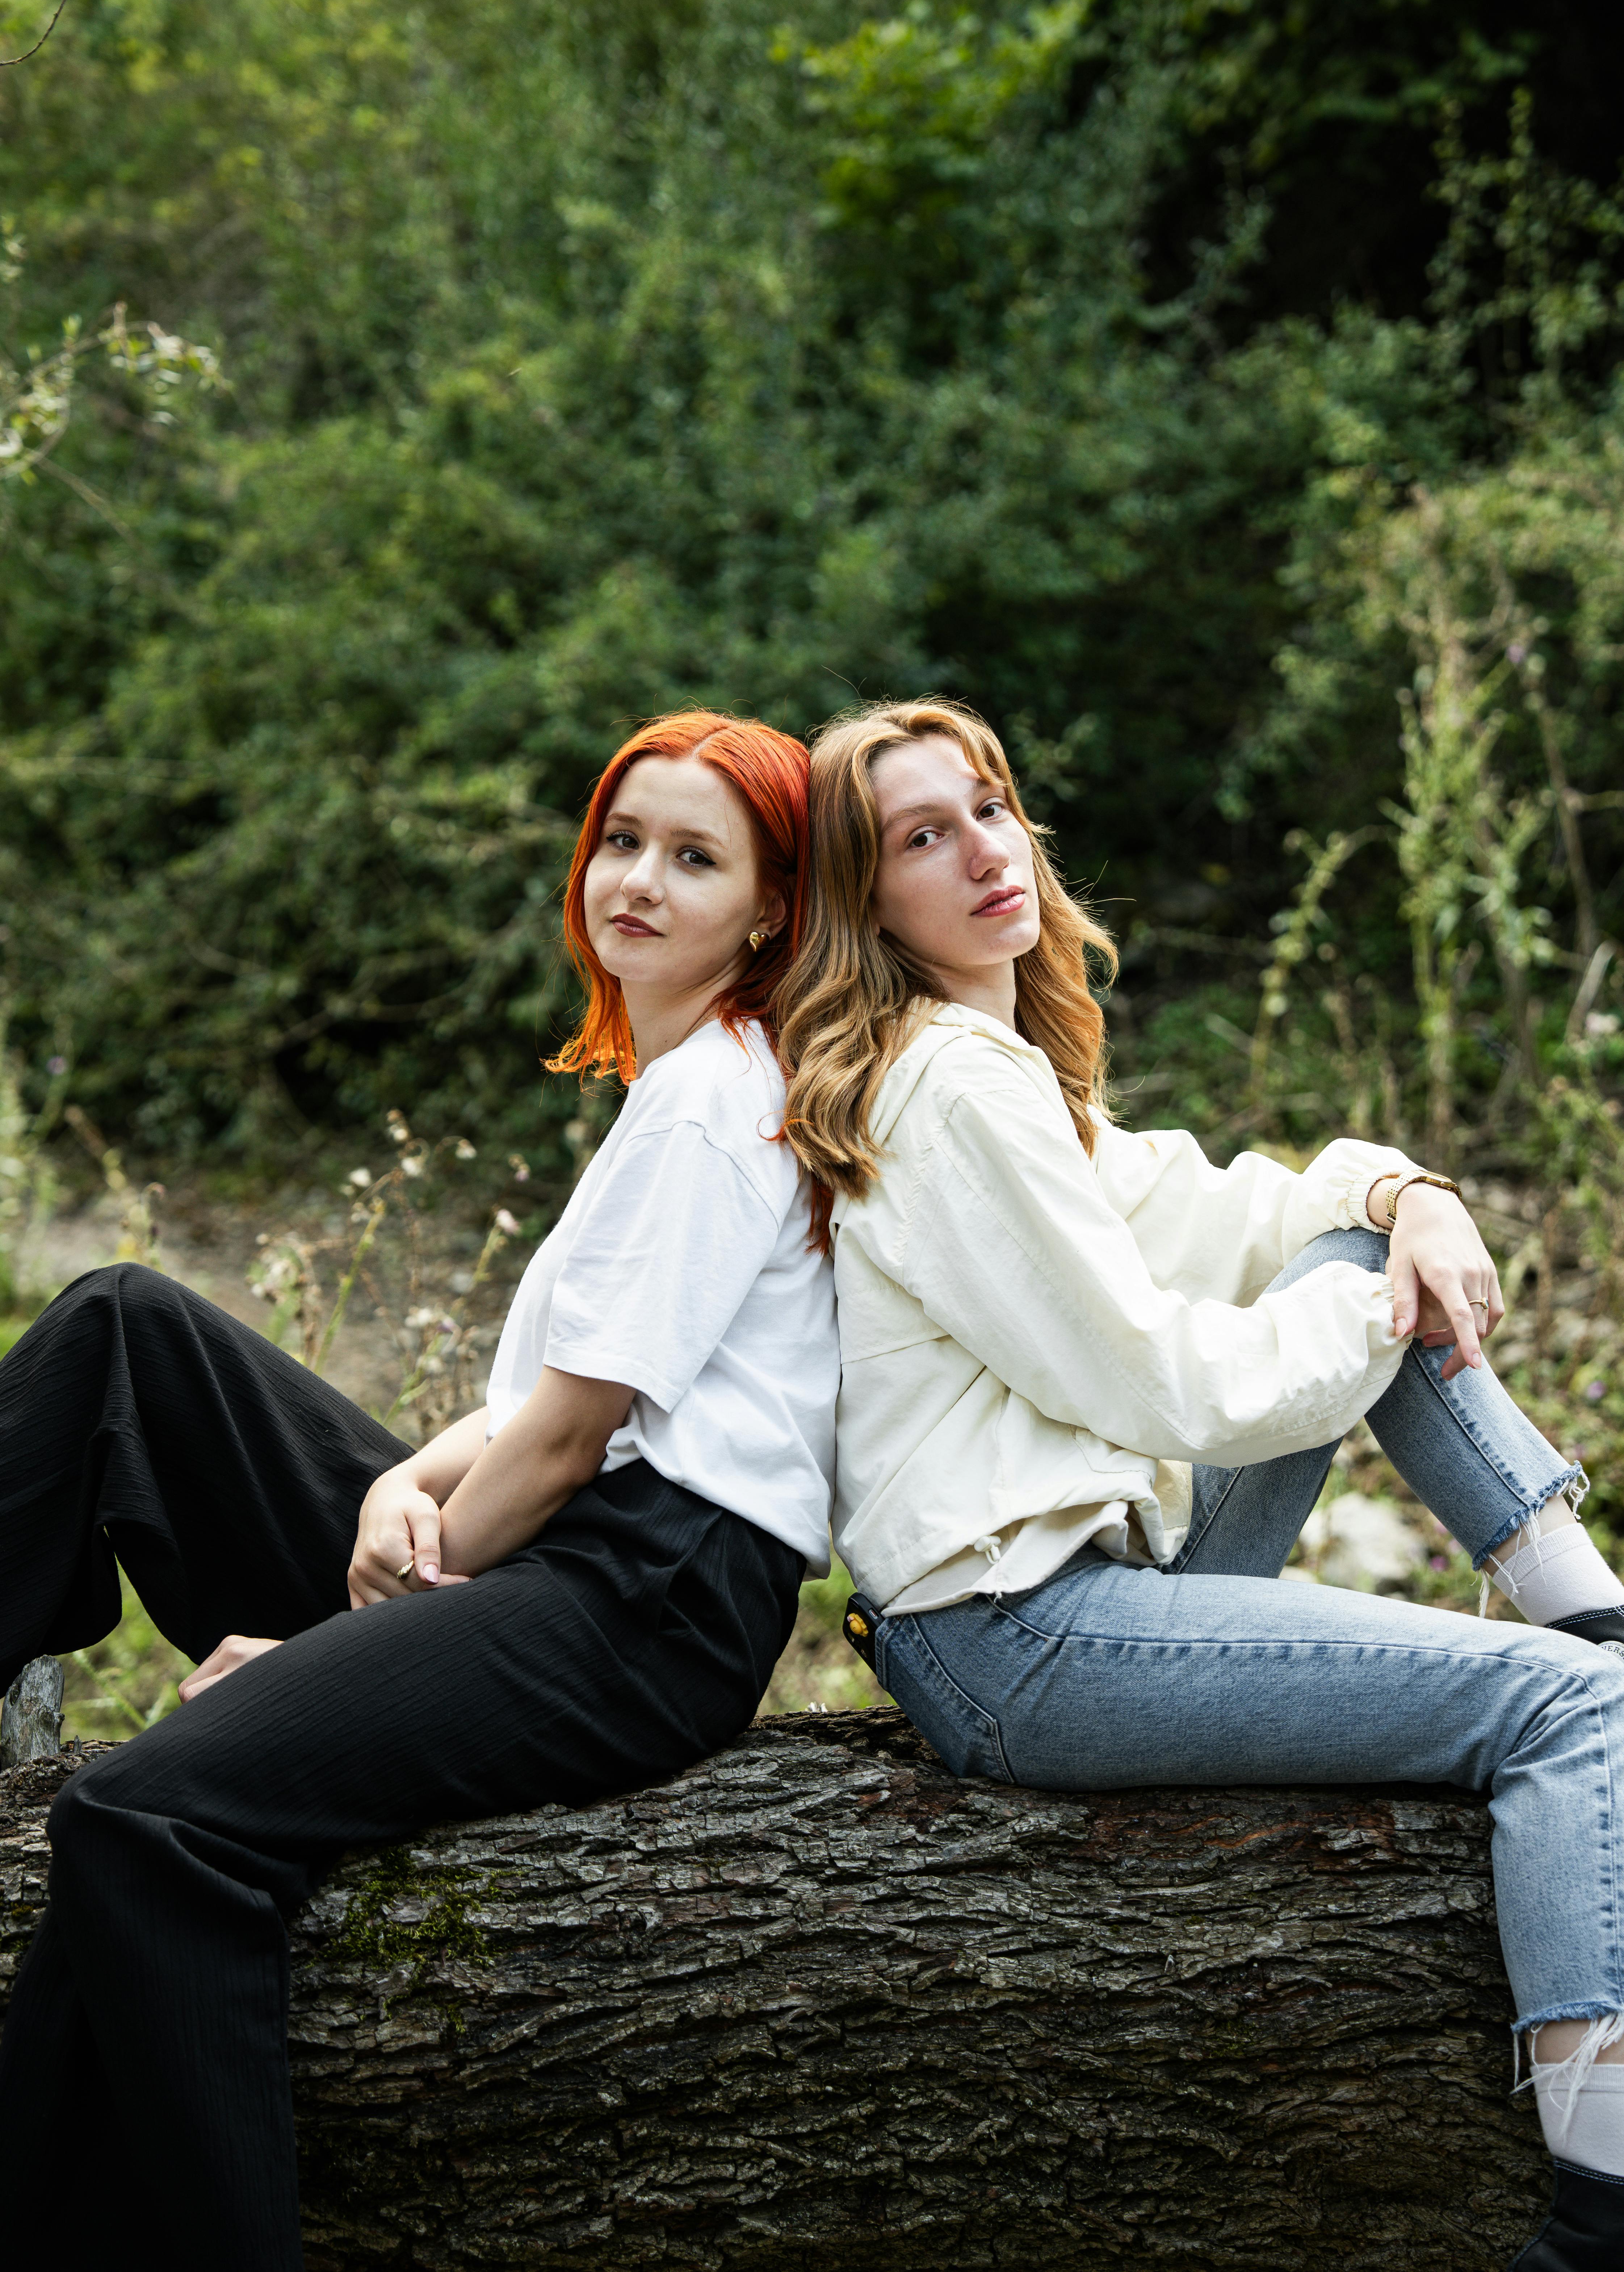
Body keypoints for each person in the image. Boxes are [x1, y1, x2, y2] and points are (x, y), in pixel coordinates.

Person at [777, 695, 1624, 2272]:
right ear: (864, 899)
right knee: (1569, 1717)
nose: (984, 850)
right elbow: (1162, 1382)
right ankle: (1604, 2211)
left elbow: (1243, 1204)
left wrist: (1407, 1195)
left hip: (1085, 1590)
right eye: (920, 834)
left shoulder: (1002, 1071)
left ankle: (1590, 1602)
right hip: (1015, 1631)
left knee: (1358, 1241)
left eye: (989, 805)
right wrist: (1372, 1319)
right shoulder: (945, 1087)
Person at [0, 709, 838, 2272]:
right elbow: (544, 1400)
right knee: (125, 1329)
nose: (637, 879)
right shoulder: (677, 1089)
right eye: (624, 840)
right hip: (564, 1543)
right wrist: (408, 1477)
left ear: (774, 907)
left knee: (139, 1818)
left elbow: (576, 1442)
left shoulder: (725, 1104)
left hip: (641, 1601)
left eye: (696, 857)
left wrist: (333, 1633)